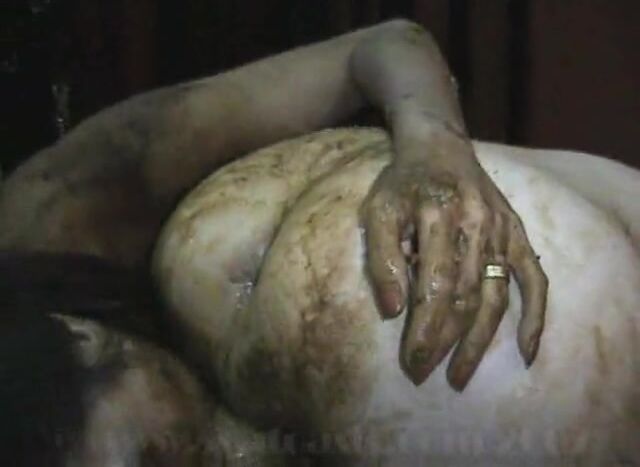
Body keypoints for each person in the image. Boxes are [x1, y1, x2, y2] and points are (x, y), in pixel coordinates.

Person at [12, 18, 639, 465]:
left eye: (156, 459)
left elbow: (382, 45)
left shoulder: (57, 210)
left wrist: (434, 149)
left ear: (84, 338)